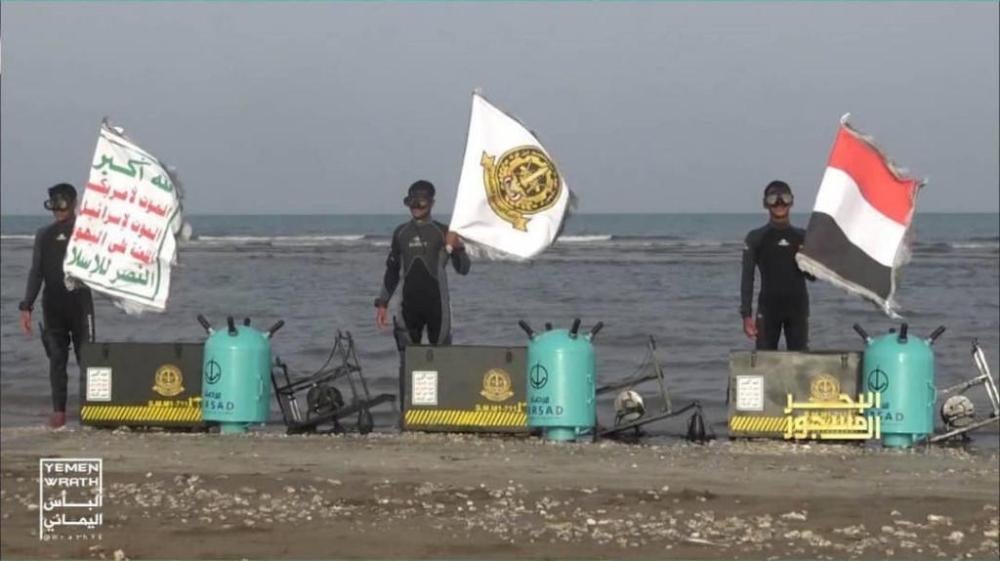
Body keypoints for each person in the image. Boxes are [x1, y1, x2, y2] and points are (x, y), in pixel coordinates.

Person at [374, 180, 471, 411]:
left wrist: (456, 247)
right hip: (408, 308)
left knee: (442, 359)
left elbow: (464, 268)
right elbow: (392, 271)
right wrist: (382, 303)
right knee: (409, 362)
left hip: (438, 306)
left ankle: (443, 411)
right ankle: (410, 413)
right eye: (412, 202)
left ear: (432, 202)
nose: (417, 206)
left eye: (422, 201)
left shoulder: (443, 231)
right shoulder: (401, 233)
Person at [18, 183, 96, 429]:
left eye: (62, 204)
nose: (58, 210)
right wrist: (26, 306)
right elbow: (36, 273)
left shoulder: (87, 231)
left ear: (73, 203)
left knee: (89, 360)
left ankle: (91, 411)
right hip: (53, 307)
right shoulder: (44, 235)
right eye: (53, 204)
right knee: (57, 361)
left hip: (81, 305)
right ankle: (59, 412)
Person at [740, 180, 813, 351]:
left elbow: (813, 277)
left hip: (798, 310)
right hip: (768, 309)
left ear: (792, 201)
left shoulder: (802, 237)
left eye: (785, 198)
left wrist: (806, 259)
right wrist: (746, 315)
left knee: (800, 364)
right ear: (765, 203)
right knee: (765, 364)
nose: (779, 203)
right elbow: (747, 278)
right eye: (773, 199)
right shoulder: (756, 238)